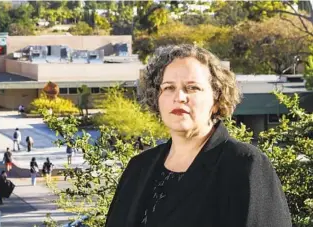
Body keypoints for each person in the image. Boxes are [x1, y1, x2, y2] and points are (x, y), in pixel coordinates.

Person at [105, 44, 292, 227]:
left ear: (217, 100)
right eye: (169, 88)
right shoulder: (139, 167)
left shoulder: (244, 165)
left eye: (192, 88)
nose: (179, 97)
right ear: (157, 98)